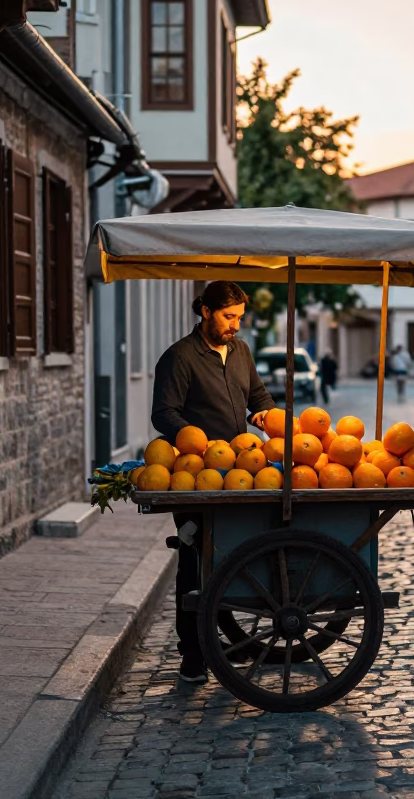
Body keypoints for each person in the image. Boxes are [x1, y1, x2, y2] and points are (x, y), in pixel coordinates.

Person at [150, 281, 275, 684]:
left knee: (229, 557)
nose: (234, 326)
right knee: (193, 561)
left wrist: (266, 417)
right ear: (204, 311)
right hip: (196, 478)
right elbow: (163, 413)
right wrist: (195, 439)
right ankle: (191, 653)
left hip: (240, 475)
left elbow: (259, 396)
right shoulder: (179, 357)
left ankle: (218, 640)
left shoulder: (240, 351)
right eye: (227, 317)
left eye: (239, 317)